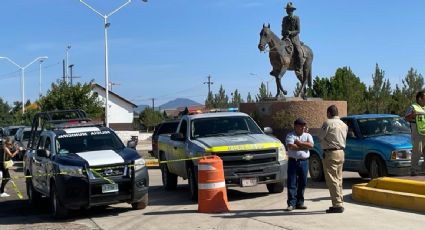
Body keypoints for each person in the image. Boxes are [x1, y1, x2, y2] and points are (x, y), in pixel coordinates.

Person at [318, 105, 348, 213]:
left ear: (329, 113)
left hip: (331, 152)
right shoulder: (344, 124)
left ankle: (337, 204)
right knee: (339, 178)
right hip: (341, 151)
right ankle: (340, 200)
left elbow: (320, 136)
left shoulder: (328, 123)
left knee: (332, 179)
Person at [285, 118, 314, 211]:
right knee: (292, 183)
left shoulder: (308, 135)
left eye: (304, 126)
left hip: (304, 162)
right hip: (293, 161)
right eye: (301, 126)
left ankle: (300, 203)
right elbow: (291, 146)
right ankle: (291, 204)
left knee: (303, 183)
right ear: (295, 126)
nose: (303, 128)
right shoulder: (290, 135)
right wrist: (304, 147)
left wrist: (299, 143)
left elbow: (311, 146)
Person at [404, 91, 425, 176]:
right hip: (417, 133)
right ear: (420, 98)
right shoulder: (413, 107)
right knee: (417, 151)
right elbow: (406, 118)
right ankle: (414, 170)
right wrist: (412, 115)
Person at [281, 2, 303, 76]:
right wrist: (284, 32)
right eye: (287, 10)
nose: (288, 11)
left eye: (290, 10)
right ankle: (276, 66)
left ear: (292, 10)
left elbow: (298, 30)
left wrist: (290, 32)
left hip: (294, 38)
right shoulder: (284, 19)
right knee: (277, 47)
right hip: (285, 38)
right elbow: (282, 29)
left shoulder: (297, 18)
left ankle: (299, 68)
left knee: (298, 51)